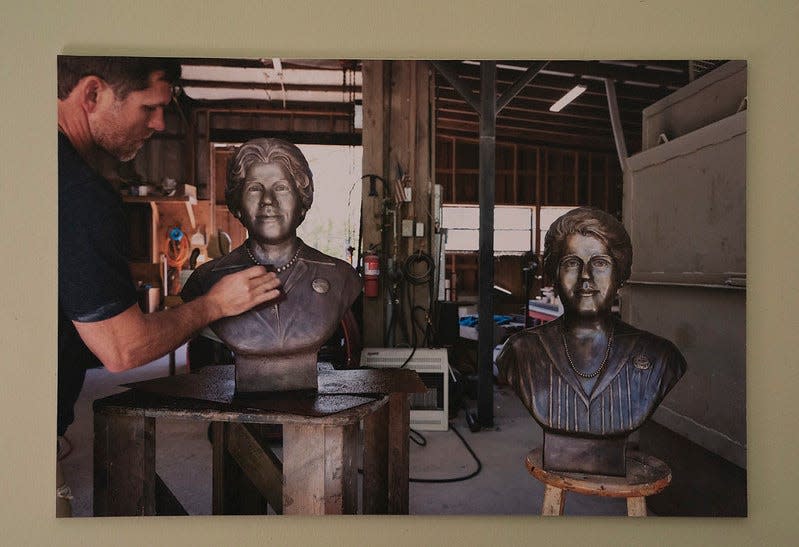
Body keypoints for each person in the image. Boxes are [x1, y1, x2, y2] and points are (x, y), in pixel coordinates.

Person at [57, 57, 282, 514]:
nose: (160, 123)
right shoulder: (79, 195)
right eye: (149, 108)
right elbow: (123, 350)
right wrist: (213, 305)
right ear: (93, 94)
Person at [497, 207, 686, 475]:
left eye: (600, 263)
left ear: (619, 275)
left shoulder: (660, 357)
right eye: (572, 263)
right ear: (554, 273)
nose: (586, 276)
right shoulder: (521, 352)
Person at [181, 138, 362, 393]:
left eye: (281, 188)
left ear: (302, 202)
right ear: (237, 205)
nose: (268, 200)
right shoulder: (207, 280)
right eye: (255, 188)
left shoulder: (341, 276)